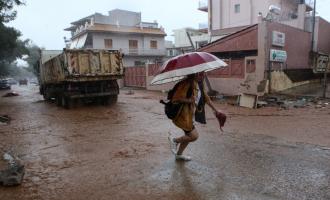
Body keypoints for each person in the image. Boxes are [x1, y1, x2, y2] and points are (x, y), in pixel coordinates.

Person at [168, 72, 222, 161]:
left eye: (204, 74)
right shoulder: (186, 83)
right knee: (194, 136)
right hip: (183, 116)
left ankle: (179, 155)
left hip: (190, 115)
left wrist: (216, 111)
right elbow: (175, 98)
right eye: (201, 74)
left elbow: (207, 99)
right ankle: (174, 141)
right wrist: (189, 100)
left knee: (188, 136)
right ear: (195, 74)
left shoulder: (199, 84)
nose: (203, 76)